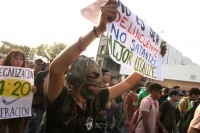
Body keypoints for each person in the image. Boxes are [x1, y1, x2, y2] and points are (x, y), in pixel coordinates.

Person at [44, 0, 167, 132]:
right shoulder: (60, 99)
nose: (97, 82)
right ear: (77, 76)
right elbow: (56, 68)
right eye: (92, 75)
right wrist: (98, 30)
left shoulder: (95, 99)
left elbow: (127, 83)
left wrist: (152, 59)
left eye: (99, 77)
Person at [0, 50, 37, 133]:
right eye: (16, 59)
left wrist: (32, 90)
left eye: (21, 59)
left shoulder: (27, 75)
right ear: (10, 59)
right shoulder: (1, 72)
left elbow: (27, 91)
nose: (19, 61)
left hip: (17, 112)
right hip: (2, 111)